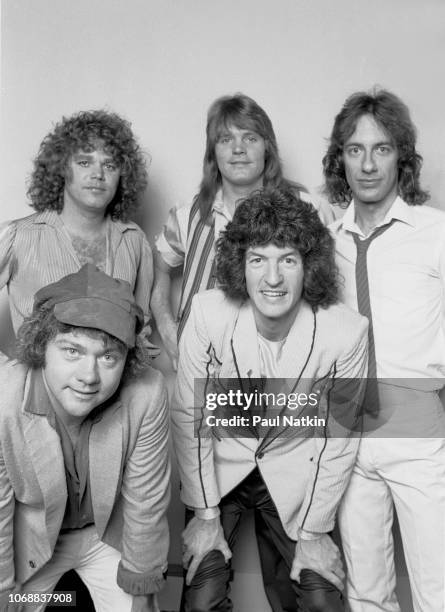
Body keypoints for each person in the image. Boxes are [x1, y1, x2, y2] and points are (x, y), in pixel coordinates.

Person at [172, 189, 368, 612]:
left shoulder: (347, 332)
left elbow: (340, 439)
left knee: (320, 600)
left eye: (288, 260)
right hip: (219, 470)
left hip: (298, 472)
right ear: (239, 265)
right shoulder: (208, 313)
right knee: (202, 597)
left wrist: (314, 534)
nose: (273, 278)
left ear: (308, 266)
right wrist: (205, 516)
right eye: (258, 259)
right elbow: (189, 413)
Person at [324, 88, 445, 612]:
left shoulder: (436, 233)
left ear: (403, 157)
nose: (368, 164)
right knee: (367, 593)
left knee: (437, 587)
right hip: (345, 428)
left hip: (416, 421)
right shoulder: (326, 242)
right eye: (355, 150)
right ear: (340, 160)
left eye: (382, 149)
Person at [0, 264, 170, 612]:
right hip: (32, 537)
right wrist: (4, 590)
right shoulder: (4, 398)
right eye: (72, 351)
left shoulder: (147, 392)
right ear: (41, 344)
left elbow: (146, 501)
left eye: (108, 357)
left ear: (127, 360)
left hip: (106, 533)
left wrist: (142, 587)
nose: (89, 376)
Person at [151, 93, 334, 369]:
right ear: (213, 152)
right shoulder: (188, 215)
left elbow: (329, 288)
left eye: (250, 138)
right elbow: (157, 267)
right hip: (203, 369)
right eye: (226, 139)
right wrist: (166, 327)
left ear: (267, 148)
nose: (239, 149)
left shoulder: (308, 209)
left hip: (283, 370)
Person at [0, 110, 153, 337]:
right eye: (84, 162)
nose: (98, 174)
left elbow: (139, 333)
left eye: (109, 165)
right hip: (38, 372)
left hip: (115, 372)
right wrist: (11, 371)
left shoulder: (133, 239)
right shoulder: (17, 236)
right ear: (62, 168)